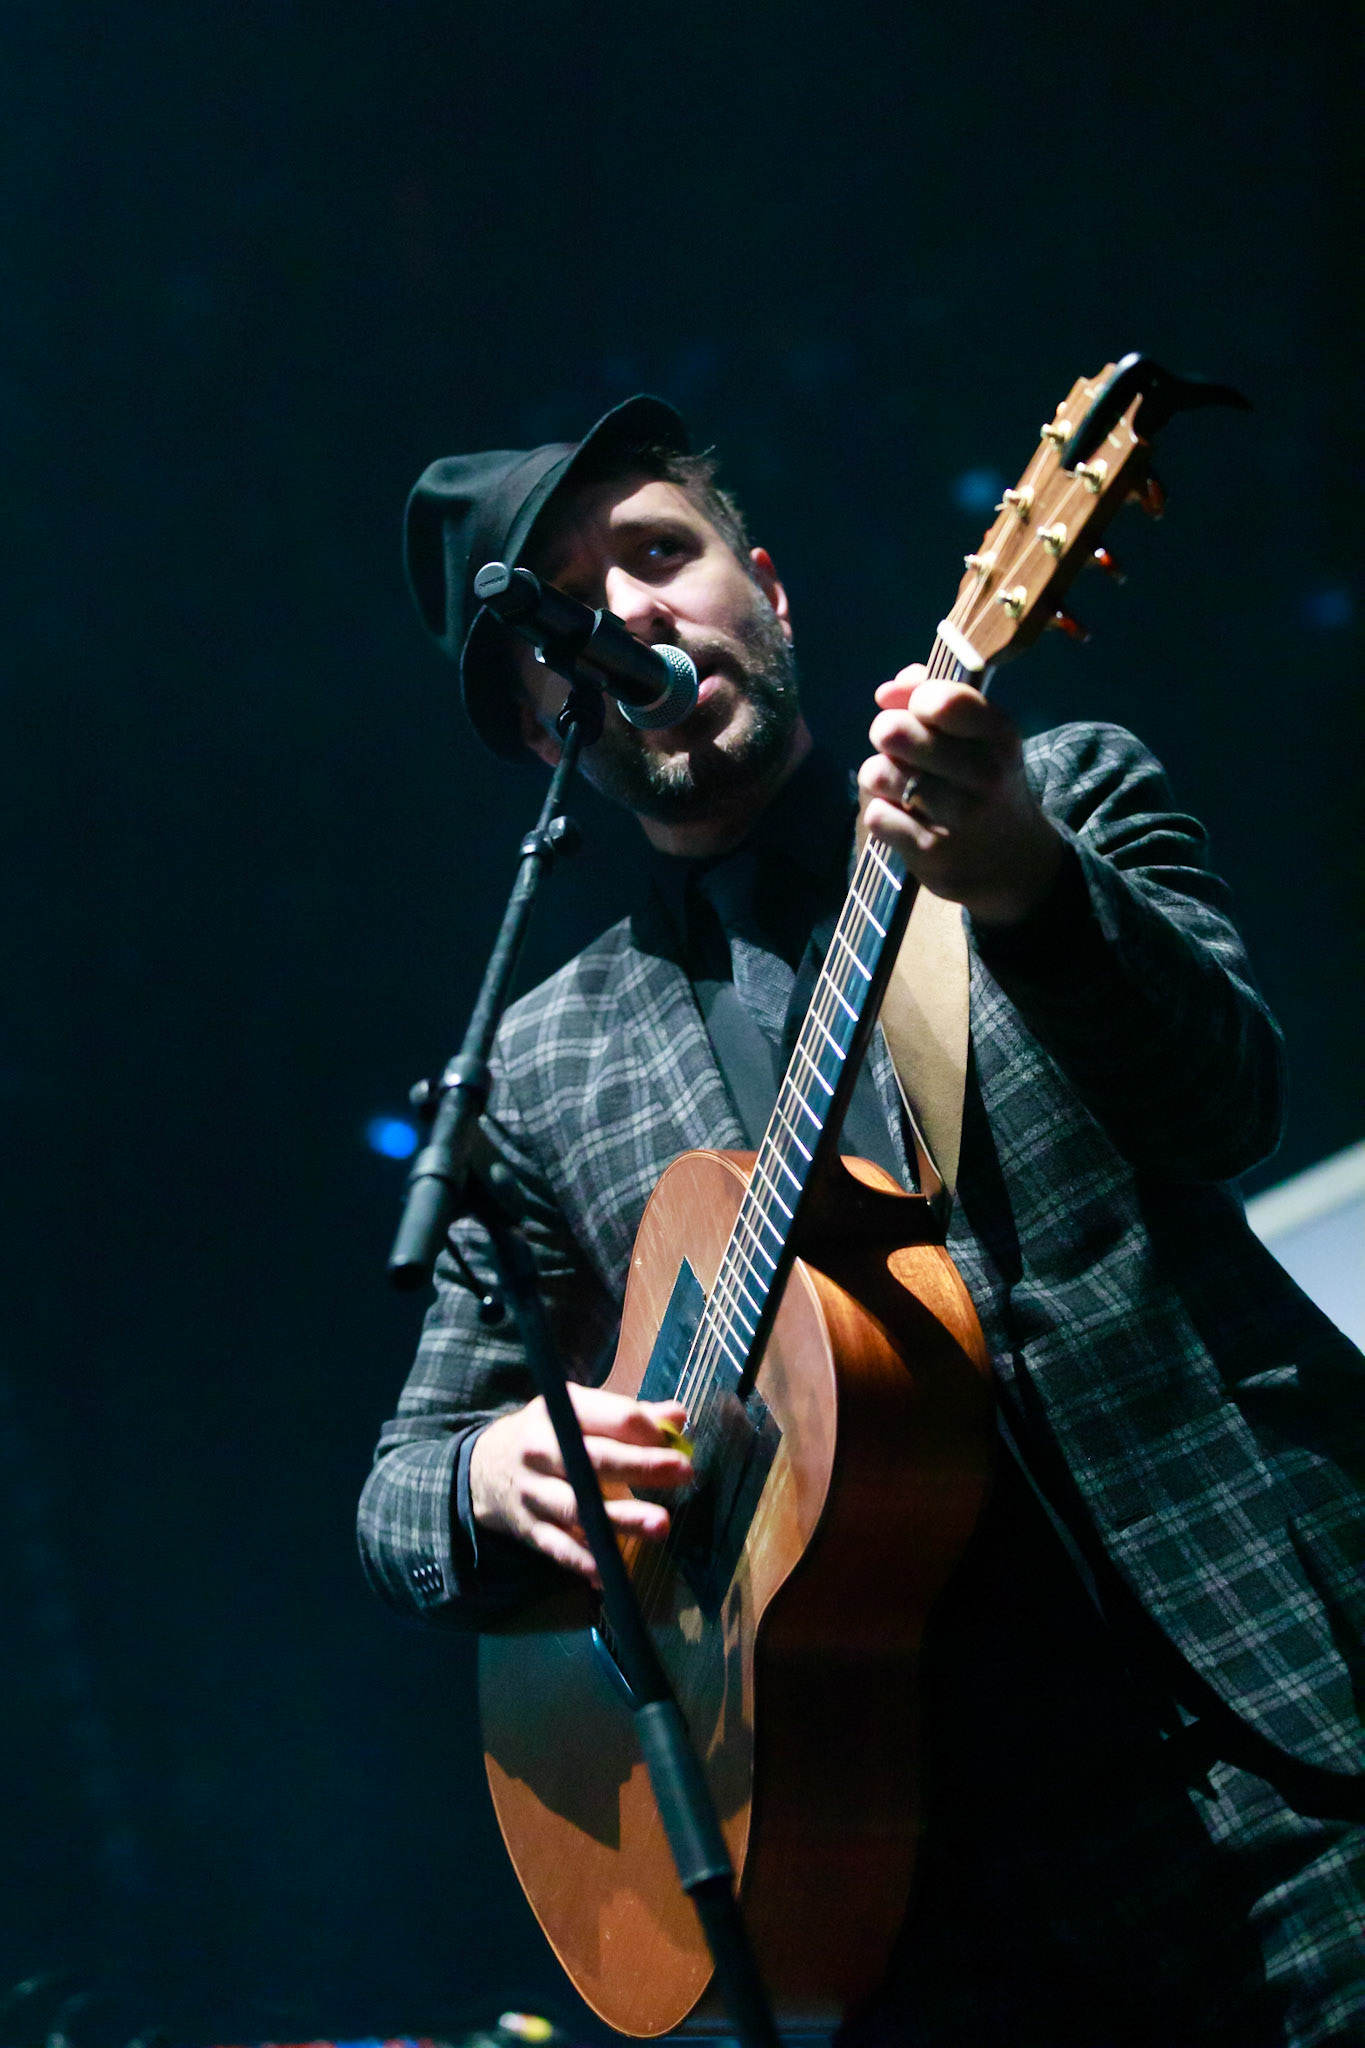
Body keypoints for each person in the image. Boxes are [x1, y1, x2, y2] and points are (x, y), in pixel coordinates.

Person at [358, 395, 1364, 2045]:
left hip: (1272, 1737)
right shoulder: (540, 1070)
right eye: (564, 614)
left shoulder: (1067, 797)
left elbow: (1224, 1106)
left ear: (766, 590)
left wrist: (1027, 876)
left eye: (660, 555)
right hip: (905, 1881)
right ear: (547, 725)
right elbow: (397, 1499)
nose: (624, 615)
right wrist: (487, 1472)